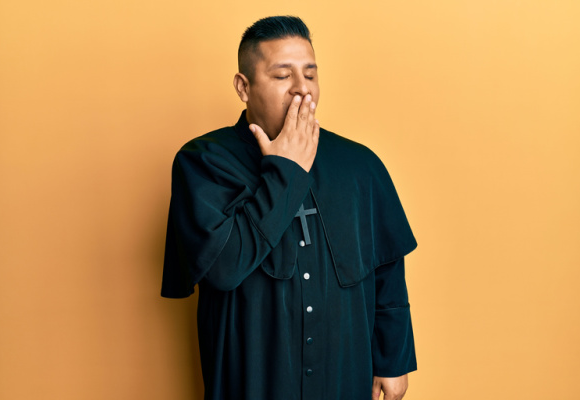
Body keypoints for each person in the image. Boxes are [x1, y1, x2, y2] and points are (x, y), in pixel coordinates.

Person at [161, 16, 418, 400]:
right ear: (243, 87)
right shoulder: (202, 162)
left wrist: (393, 359)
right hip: (252, 378)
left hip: (344, 375)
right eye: (283, 76)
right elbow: (222, 267)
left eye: (310, 75)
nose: (302, 91)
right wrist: (287, 172)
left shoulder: (360, 165)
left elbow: (387, 270)